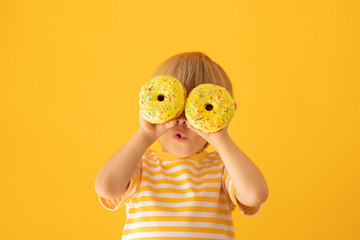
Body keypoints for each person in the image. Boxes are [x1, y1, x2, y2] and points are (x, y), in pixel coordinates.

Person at [94, 51, 269, 240]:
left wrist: (220, 138)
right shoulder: (141, 165)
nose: (183, 120)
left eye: (202, 108)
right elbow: (106, 187)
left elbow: (255, 194)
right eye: (174, 108)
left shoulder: (221, 169)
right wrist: (145, 134)